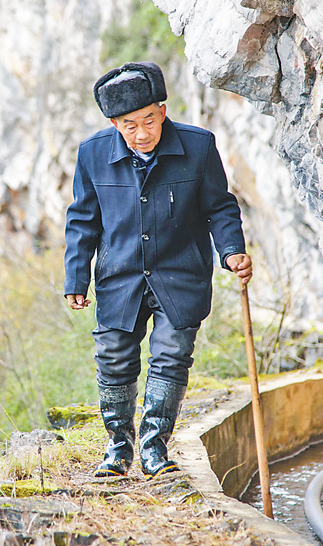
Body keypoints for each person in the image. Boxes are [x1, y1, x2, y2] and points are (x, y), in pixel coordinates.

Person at [64, 62, 252, 480]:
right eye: (129, 125)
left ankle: (154, 447)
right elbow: (82, 221)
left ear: (163, 112)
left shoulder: (198, 146)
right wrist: (76, 277)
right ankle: (118, 449)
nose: (141, 133)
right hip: (120, 277)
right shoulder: (93, 154)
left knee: (171, 358)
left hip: (181, 275)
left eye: (149, 120)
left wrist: (232, 251)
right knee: (114, 360)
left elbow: (220, 207)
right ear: (114, 124)